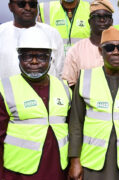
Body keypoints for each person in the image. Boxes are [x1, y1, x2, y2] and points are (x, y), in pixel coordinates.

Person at [68, 26, 119, 180]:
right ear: (101, 51)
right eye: (109, 48)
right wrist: (74, 160)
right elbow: (75, 123)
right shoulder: (86, 78)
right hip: (92, 162)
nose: (116, 52)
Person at [0, 27, 71, 180]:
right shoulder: (5, 90)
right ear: (18, 58)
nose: (34, 62)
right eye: (27, 56)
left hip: (58, 172)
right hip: (17, 175)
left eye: (41, 57)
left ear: (51, 58)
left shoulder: (65, 89)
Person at [0, 0, 64, 78]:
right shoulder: (1, 32)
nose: (28, 8)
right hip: (5, 89)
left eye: (32, 4)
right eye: (22, 4)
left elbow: (60, 71)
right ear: (10, 6)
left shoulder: (52, 33)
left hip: (46, 89)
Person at [62, 0, 114, 87]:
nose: (102, 20)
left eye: (106, 16)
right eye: (97, 16)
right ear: (89, 22)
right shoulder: (76, 50)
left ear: (112, 21)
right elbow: (69, 83)